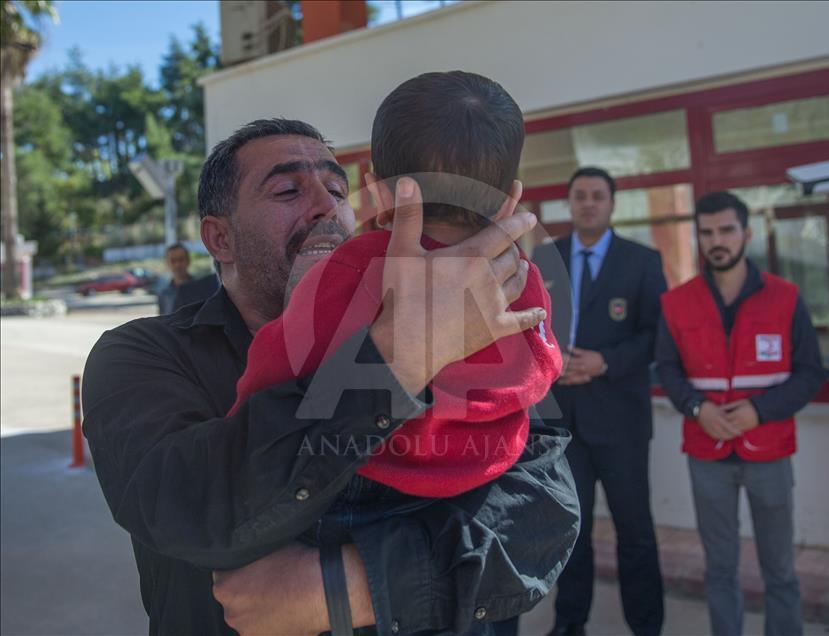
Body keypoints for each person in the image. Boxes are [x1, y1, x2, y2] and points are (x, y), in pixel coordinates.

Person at [82, 117, 580, 636]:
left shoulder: (464, 326)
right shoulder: (141, 354)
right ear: (220, 237)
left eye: (338, 189)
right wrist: (395, 358)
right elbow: (180, 505)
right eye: (288, 189)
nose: (327, 206)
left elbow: (547, 511)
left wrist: (348, 589)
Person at [232, 72, 562, 505]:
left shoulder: (354, 265)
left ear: (378, 194)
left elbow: (276, 363)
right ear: (508, 200)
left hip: (367, 476)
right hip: (491, 475)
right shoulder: (521, 274)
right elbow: (544, 365)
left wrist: (240, 415)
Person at [656, 191, 827, 636]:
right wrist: (697, 409)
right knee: (720, 569)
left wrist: (759, 410)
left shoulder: (786, 297)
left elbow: (811, 373)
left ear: (746, 233)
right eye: (707, 231)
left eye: (727, 230)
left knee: (781, 571)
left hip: (769, 451)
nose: (717, 240)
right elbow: (669, 372)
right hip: (706, 453)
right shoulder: (676, 304)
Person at [533, 166, 666, 636]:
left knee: (635, 533)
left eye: (598, 196)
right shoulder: (545, 259)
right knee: (572, 532)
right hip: (563, 422)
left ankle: (646, 626)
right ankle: (570, 625)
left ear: (612, 204)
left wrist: (604, 362)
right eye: (580, 195)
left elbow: (657, 338)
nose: (588, 203)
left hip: (622, 422)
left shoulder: (643, 261)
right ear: (569, 203)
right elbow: (529, 328)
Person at [156, 242, 192, 314]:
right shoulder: (163, 294)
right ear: (167, 264)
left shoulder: (200, 289)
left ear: (188, 261)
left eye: (181, 260)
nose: (177, 265)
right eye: (173, 261)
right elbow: (163, 321)